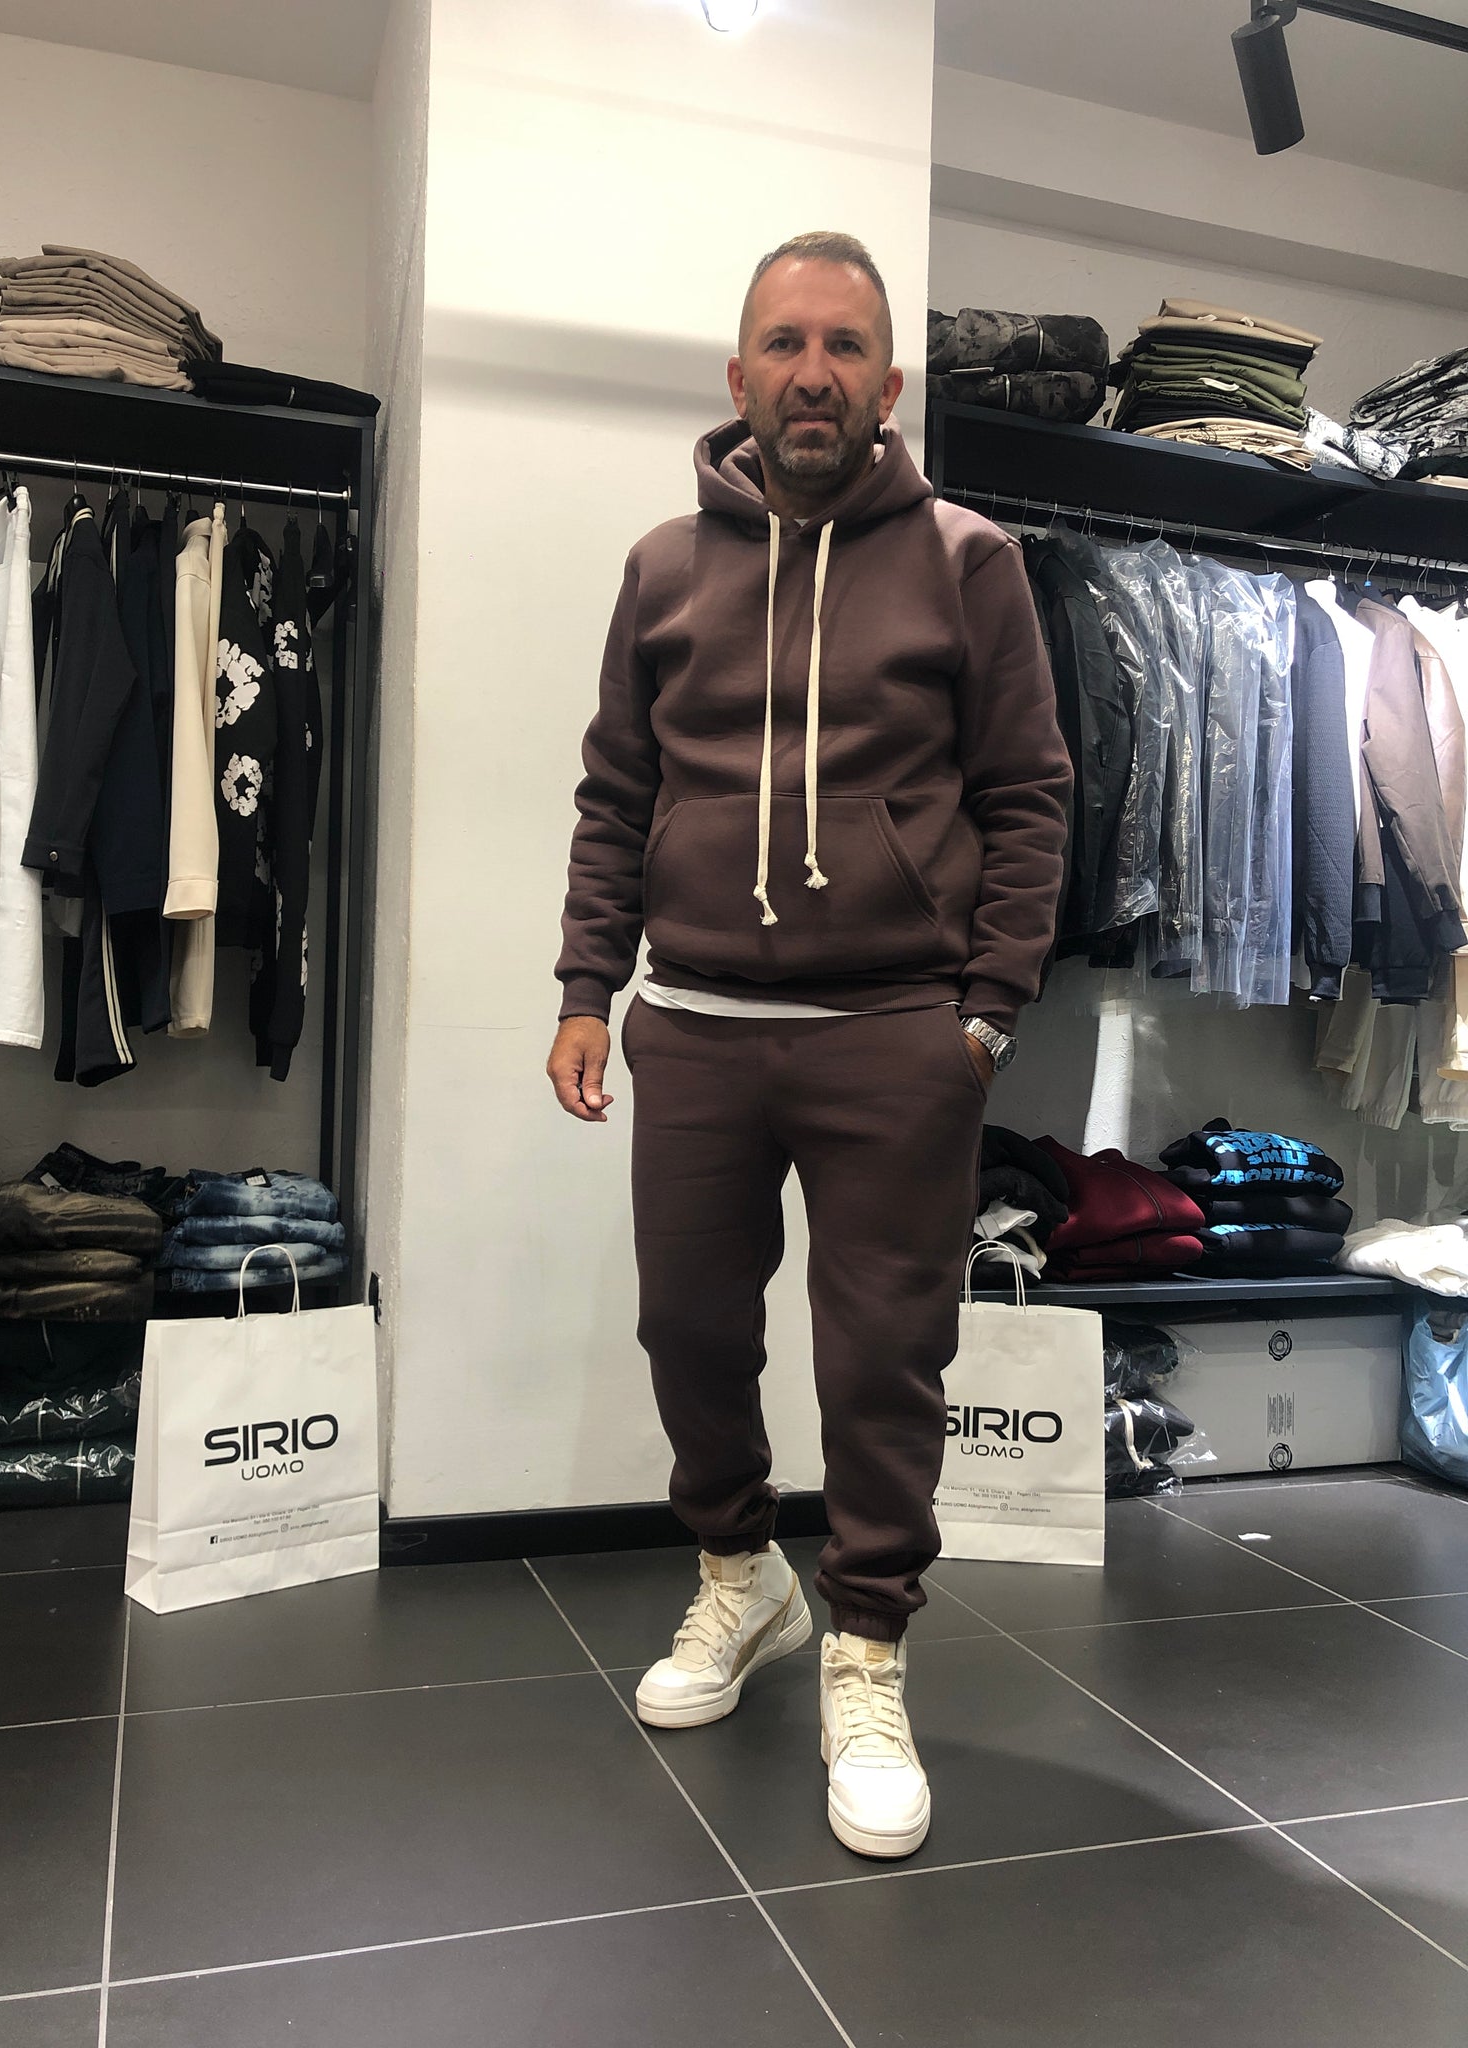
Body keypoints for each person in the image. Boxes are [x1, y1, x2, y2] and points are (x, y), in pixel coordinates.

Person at [547, 230, 1070, 1860]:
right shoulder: (661, 568)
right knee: (689, 1331)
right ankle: (741, 1577)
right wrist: (586, 987)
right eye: (785, 343)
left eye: (845, 346)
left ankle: (868, 1648)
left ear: (889, 382)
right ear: (739, 375)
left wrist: (986, 1012)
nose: (814, 373)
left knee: (881, 1360)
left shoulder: (970, 562)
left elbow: (1030, 794)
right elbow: (617, 794)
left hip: (896, 1033)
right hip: (698, 1026)